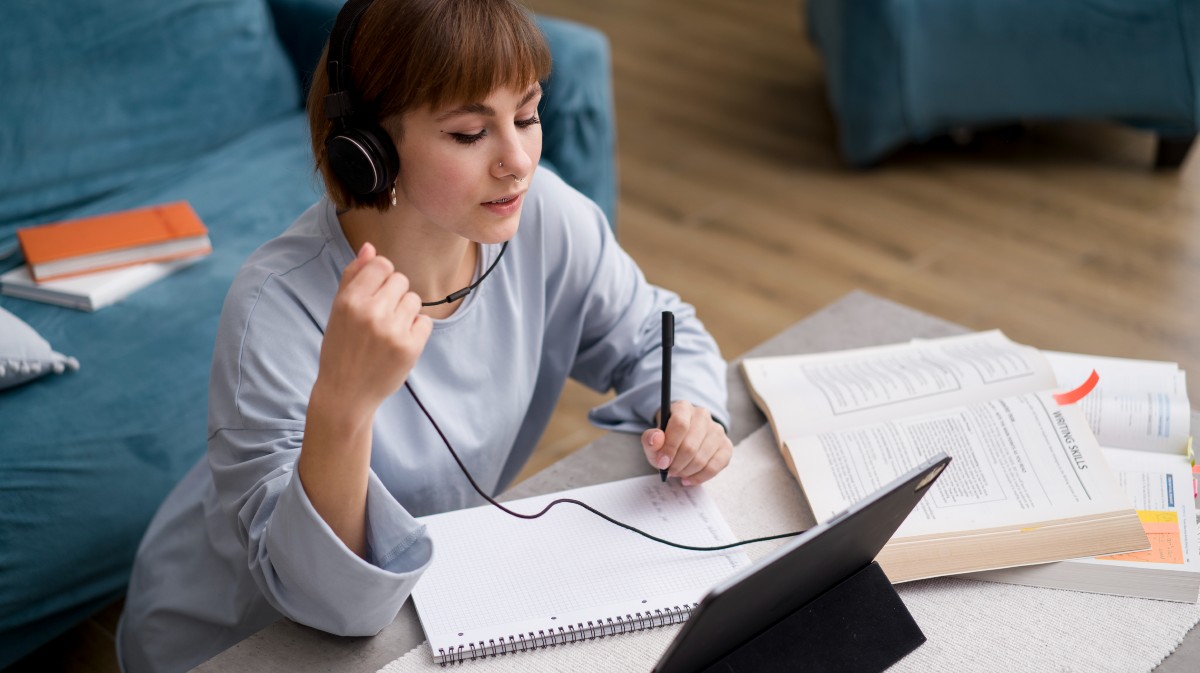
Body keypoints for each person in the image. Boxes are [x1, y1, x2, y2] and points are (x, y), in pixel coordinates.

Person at [117, 1, 731, 671]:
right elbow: (324, 603)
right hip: (239, 637)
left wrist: (690, 411)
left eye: (527, 116)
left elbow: (656, 330)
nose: (518, 160)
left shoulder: (547, 217)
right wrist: (344, 406)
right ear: (368, 150)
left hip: (424, 608)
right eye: (471, 133)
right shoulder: (277, 306)